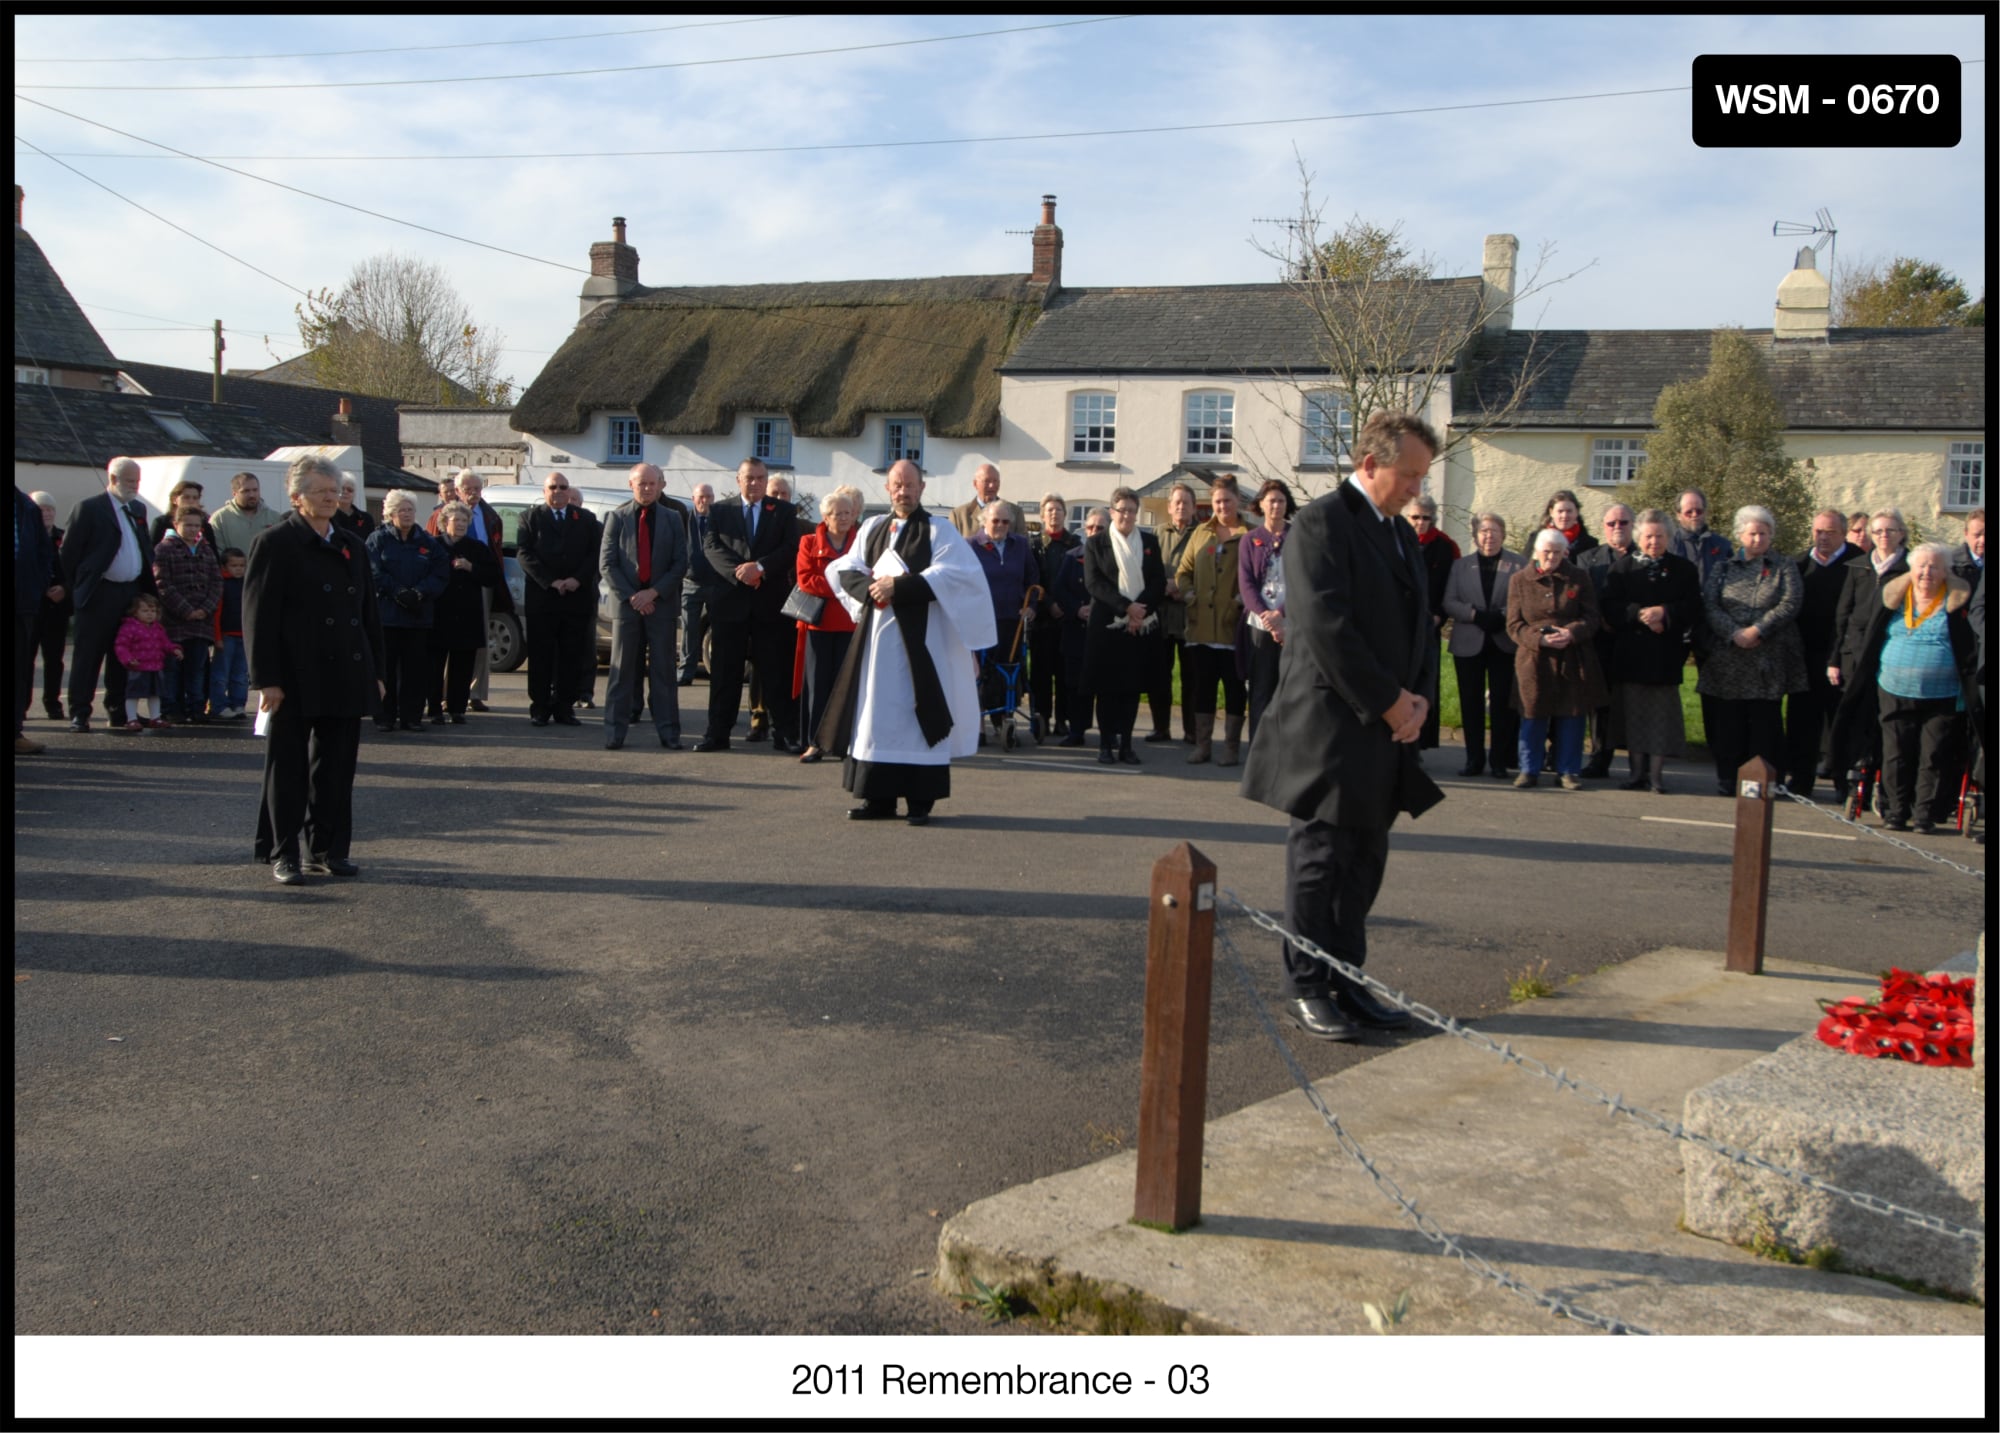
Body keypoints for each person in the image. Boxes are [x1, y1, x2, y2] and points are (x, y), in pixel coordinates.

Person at [1241, 411, 1443, 1043]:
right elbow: (1327, 630)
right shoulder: (1321, 523)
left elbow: (1416, 626)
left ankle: (1349, 980)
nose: (1417, 488)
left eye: (1422, 477)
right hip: (1330, 729)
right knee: (1321, 859)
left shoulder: (1398, 534)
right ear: (1370, 464)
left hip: (1383, 726)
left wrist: (1419, 704)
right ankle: (1308, 984)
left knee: (1364, 860)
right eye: (1408, 474)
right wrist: (1389, 702)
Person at [819, 459, 994, 824]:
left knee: (916, 720)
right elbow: (843, 568)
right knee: (875, 717)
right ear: (888, 488)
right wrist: (871, 587)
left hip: (922, 647)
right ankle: (878, 800)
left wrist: (898, 586)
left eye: (910, 484)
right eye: (897, 484)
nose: (903, 490)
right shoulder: (870, 527)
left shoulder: (938, 530)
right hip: (877, 648)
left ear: (922, 488)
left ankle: (919, 802)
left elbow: (956, 573)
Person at [248, 455, 383, 885]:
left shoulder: (352, 544)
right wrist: (266, 679)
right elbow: (258, 615)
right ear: (296, 497)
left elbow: (367, 614)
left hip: (345, 670)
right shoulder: (275, 543)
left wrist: (375, 670)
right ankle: (283, 852)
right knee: (286, 767)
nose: (332, 498)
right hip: (293, 674)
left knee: (337, 768)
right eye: (321, 491)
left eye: (336, 491)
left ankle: (327, 849)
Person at [1833, 544, 1979, 833]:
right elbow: (1871, 635)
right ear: (1911, 569)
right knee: (1896, 752)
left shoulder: (1958, 600)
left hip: (1943, 693)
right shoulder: (1893, 597)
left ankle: (1924, 815)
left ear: (1945, 571)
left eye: (1934, 566)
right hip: (1893, 688)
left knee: (1933, 754)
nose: (1926, 572)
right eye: (1921, 566)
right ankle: (1895, 813)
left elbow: (1969, 647)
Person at [1698, 504, 1807, 793]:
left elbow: (1790, 602)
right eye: (1753, 533)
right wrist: (1734, 633)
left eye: (1764, 533)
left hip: (1767, 657)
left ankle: (1765, 782)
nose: (1758, 539)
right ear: (1740, 535)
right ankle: (1727, 778)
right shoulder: (1723, 567)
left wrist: (1757, 630)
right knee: (1729, 723)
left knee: (1765, 726)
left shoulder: (1784, 566)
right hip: (1729, 658)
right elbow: (1710, 604)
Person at [699, 458, 803, 753]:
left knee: (775, 672)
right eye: (750, 478)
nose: (755, 483)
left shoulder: (782, 511)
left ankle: (786, 734)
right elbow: (711, 547)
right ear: (738, 480)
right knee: (724, 673)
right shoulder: (720, 510)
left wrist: (759, 567)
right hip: (730, 603)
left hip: (769, 604)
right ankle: (717, 734)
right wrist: (740, 572)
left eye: (760, 478)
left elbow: (790, 547)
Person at [1601, 510, 1700, 793]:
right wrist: (1640, 614)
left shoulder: (1684, 569)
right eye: (1648, 536)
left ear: (1668, 537)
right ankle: (1635, 775)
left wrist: (1665, 614)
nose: (1653, 542)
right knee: (1633, 718)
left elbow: (1693, 607)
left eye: (1659, 536)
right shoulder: (1622, 569)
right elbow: (1610, 606)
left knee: (1659, 719)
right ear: (1638, 537)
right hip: (1631, 655)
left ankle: (1656, 777)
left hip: (1664, 656)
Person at [62, 456, 158, 733]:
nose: (135, 486)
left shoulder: (137, 508)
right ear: (113, 479)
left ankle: (118, 711)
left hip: (129, 594)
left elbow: (143, 547)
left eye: (138, 481)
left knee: (124, 655)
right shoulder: (89, 508)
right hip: (99, 592)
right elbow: (69, 555)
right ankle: (80, 712)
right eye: (130, 481)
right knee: (88, 655)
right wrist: (77, 589)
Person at [1507, 529, 1607, 789]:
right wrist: (1538, 639)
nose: (1551, 557)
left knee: (1572, 716)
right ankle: (1529, 769)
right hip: (1533, 658)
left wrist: (1572, 633)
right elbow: (1514, 624)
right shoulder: (1519, 580)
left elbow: (1592, 617)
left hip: (1573, 657)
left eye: (1556, 552)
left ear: (1565, 552)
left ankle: (1568, 771)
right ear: (1536, 552)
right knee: (1532, 714)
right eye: (1546, 552)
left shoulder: (1579, 577)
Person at [601, 462, 690, 751]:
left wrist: (652, 593)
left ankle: (669, 733)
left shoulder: (673, 518)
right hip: (627, 608)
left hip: (661, 606)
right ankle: (615, 732)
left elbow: (680, 563)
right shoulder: (616, 518)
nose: (648, 489)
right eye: (642, 484)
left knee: (664, 673)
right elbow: (607, 564)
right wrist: (633, 597)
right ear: (631, 485)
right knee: (622, 672)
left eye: (652, 484)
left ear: (660, 485)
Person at [1081, 487, 1165, 766]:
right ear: (1112, 511)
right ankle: (1106, 745)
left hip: (1139, 627)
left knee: (1131, 690)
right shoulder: (1096, 543)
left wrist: (1139, 612)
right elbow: (1095, 584)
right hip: (1107, 627)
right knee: (1106, 690)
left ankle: (1127, 746)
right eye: (1121, 509)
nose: (1126, 515)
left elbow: (1158, 583)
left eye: (1131, 509)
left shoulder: (1150, 542)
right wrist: (1126, 608)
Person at [1441, 513, 1526, 779]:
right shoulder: (1460, 566)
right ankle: (1473, 759)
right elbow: (1449, 602)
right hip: (1469, 641)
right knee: (1471, 703)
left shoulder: (1518, 565)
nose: (1489, 536)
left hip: (1504, 641)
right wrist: (1475, 615)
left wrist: (1501, 615)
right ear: (1476, 535)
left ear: (1503, 534)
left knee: (1503, 703)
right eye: (1483, 531)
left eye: (1494, 531)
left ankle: (1499, 760)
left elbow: (1524, 600)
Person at [1786, 508, 1862, 800]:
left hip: (1842, 655)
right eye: (1818, 531)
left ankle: (1844, 783)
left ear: (1843, 533)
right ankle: (1801, 780)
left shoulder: (1857, 565)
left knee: (1841, 722)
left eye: (1830, 532)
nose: (1823, 537)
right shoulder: (1800, 564)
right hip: (1804, 656)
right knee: (1802, 721)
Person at [516, 473, 601, 728]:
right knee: (541, 655)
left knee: (571, 655)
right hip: (543, 599)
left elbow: (595, 554)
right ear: (545, 491)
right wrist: (550, 581)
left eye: (563, 487)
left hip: (576, 599)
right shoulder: (530, 518)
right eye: (553, 487)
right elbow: (524, 553)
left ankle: (565, 707)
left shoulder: (585, 519)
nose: (559, 491)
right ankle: (540, 707)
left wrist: (577, 579)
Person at [1176, 476, 1250, 765]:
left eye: (1227, 501)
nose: (1222, 506)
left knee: (1233, 689)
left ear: (1238, 502)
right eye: (1217, 502)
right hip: (1201, 626)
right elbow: (1183, 571)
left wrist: (1240, 601)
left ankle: (1231, 747)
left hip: (1232, 629)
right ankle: (1203, 745)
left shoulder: (1248, 535)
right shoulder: (1201, 534)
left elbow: (1253, 577)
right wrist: (1189, 594)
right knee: (1203, 687)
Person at [366, 490, 450, 734]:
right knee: (387, 669)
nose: (407, 514)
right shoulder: (377, 539)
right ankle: (385, 716)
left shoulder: (427, 542)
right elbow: (373, 570)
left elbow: (440, 572)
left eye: (410, 509)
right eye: (401, 510)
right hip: (388, 616)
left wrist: (420, 593)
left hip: (418, 616)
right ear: (391, 513)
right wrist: (398, 592)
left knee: (415, 671)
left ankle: (412, 717)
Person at [793, 485, 863, 763]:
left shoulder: (861, 541)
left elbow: (868, 573)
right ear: (826, 516)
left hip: (851, 623)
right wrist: (843, 585)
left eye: (848, 512)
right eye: (838, 513)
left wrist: (838, 585)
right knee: (817, 686)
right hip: (819, 625)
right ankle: (814, 743)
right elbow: (805, 580)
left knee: (846, 686)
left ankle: (845, 743)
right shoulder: (808, 542)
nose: (844, 518)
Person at [432, 470, 511, 713]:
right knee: (444, 646)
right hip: (444, 593)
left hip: (477, 586)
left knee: (476, 642)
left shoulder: (489, 515)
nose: (474, 493)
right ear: (457, 491)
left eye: (477, 488)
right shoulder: (441, 516)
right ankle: (444, 696)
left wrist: (476, 569)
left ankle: (473, 693)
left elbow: (493, 556)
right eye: (468, 489)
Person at [970, 499, 1041, 744]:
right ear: (984, 522)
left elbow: (1033, 578)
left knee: (1009, 674)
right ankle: (978, 726)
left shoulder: (1020, 544)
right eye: (995, 521)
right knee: (982, 674)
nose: (1000, 525)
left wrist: (1031, 606)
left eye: (1005, 521)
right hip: (981, 621)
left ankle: (1005, 722)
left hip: (1013, 619)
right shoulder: (971, 545)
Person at [1574, 503, 1635, 779]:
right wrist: (1601, 620)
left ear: (1633, 526)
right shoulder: (1588, 559)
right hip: (1598, 641)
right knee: (1599, 705)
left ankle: (1639, 765)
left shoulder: (1643, 557)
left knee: (1633, 703)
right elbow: (1583, 597)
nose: (1618, 528)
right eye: (1612, 523)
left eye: (1624, 523)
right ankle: (1599, 759)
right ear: (1603, 527)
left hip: (1634, 641)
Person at [152, 507, 222, 724]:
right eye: (188, 525)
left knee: (197, 668)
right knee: (172, 667)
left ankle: (196, 707)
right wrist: (186, 610)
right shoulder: (164, 550)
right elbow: (163, 584)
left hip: (202, 621)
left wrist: (205, 608)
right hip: (174, 621)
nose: (192, 529)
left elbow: (216, 582)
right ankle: (170, 707)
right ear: (176, 525)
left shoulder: (206, 550)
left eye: (196, 525)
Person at [1240, 478, 1297, 745]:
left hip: (1292, 625)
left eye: (1281, 500)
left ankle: (1287, 752)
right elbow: (1246, 583)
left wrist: (1282, 615)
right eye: (1271, 500)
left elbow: (1304, 582)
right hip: (1260, 627)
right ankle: (1259, 749)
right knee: (1261, 689)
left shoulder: (1298, 538)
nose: (1276, 505)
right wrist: (1268, 617)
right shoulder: (1250, 540)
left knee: (1290, 689)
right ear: (1261, 504)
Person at [1405, 493, 1460, 749]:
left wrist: (1440, 614)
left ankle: (1422, 742)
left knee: (1427, 681)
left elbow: (1453, 586)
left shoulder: (1446, 547)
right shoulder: (1397, 541)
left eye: (1425, 518)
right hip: (1401, 625)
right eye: (1415, 517)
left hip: (1430, 624)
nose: (1420, 523)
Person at [1149, 481, 1201, 744]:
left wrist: (1183, 588)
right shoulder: (1157, 533)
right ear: (1169, 507)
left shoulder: (1203, 534)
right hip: (1161, 614)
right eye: (1177, 502)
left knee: (1191, 677)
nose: (1181, 506)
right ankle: (1161, 728)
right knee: (1160, 675)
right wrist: (1164, 587)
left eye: (1186, 502)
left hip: (1190, 616)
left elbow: (1207, 572)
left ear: (1194, 507)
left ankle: (1192, 731)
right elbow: (1148, 571)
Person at [1029, 493, 1079, 740]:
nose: (1054, 514)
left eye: (1059, 510)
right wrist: (1049, 604)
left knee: (1064, 674)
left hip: (1068, 619)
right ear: (1042, 515)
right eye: (1049, 510)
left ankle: (1062, 720)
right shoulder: (1034, 545)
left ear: (1065, 515)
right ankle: (1042, 719)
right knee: (1040, 674)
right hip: (1042, 620)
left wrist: (1065, 606)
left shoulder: (1075, 544)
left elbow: (1079, 581)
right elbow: (1033, 579)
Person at [1052, 508, 1102, 747]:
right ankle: (1077, 730)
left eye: (1099, 528)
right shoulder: (1072, 557)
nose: (1093, 532)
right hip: (1076, 630)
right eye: (1090, 527)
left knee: (1104, 686)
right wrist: (1076, 609)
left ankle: (1109, 733)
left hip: (1104, 632)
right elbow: (1059, 589)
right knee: (1075, 685)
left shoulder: (1117, 557)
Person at [13, 485, 57, 754]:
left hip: (21, 602)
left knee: (18, 669)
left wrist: (37, 585)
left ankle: (15, 732)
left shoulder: (26, 506)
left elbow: (43, 551)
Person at [28, 491, 70, 726]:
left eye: (50, 509)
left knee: (54, 659)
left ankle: (53, 703)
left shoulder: (63, 538)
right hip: (32, 606)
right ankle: (21, 705)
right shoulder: (26, 538)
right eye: (42, 509)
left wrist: (64, 588)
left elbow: (74, 569)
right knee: (26, 658)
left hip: (57, 608)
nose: (47, 513)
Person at [113, 592, 178, 731]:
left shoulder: (157, 628)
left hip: (155, 666)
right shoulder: (129, 627)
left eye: (153, 611)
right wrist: (128, 659)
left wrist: (174, 649)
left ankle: (155, 718)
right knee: (133, 694)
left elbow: (165, 643)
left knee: (155, 694)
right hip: (138, 667)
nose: (150, 614)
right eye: (145, 611)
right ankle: (131, 719)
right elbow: (121, 645)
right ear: (135, 612)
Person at [679, 482, 720, 686]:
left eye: (709, 497)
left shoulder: (720, 521)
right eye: (701, 497)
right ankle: (686, 672)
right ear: (694, 499)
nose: (705, 501)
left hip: (715, 583)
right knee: (689, 629)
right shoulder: (683, 520)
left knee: (718, 628)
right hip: (690, 582)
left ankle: (719, 672)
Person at [207, 548, 250, 720]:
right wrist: (217, 637)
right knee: (221, 673)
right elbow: (217, 613)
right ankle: (218, 705)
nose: (239, 569)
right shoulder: (222, 584)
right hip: (226, 635)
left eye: (241, 565)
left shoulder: (247, 584)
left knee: (241, 674)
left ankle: (238, 703)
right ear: (224, 566)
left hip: (244, 635)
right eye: (234, 565)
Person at [208, 471, 282, 560]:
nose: (252, 495)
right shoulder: (219, 519)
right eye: (246, 491)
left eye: (255, 490)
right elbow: (216, 553)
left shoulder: (274, 517)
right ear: (234, 493)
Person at [1670, 487, 1732, 581]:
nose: (1694, 515)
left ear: (1705, 512)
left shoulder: (1722, 545)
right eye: (1689, 512)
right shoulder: (1667, 545)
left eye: (1699, 511)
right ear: (1678, 515)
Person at [949, 462, 1022, 539]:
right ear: (975, 484)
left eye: (995, 481)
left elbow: (1023, 547)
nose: (992, 485)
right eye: (987, 481)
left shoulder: (1015, 512)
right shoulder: (958, 516)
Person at [148, 479, 214, 548]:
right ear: (174, 500)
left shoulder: (205, 525)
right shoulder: (162, 523)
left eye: (195, 498)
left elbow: (213, 553)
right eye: (186, 497)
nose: (191, 501)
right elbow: (151, 550)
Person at [333, 474, 375, 540]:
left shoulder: (366, 519)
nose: (345, 492)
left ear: (354, 494)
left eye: (350, 490)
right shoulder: (328, 517)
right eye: (342, 489)